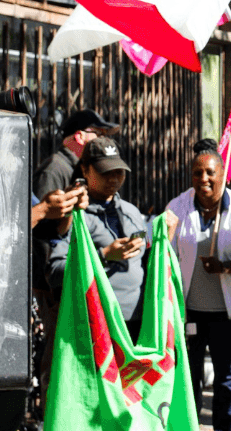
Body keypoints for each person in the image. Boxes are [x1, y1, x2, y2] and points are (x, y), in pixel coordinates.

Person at [166, 139, 231, 431]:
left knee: (227, 381)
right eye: (196, 173)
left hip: (229, 313)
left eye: (209, 172)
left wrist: (225, 267)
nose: (203, 178)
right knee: (188, 378)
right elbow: (160, 251)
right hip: (189, 312)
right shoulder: (177, 208)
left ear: (223, 174)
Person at [47, 137, 148, 339]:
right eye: (105, 172)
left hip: (137, 323)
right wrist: (104, 256)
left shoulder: (132, 212)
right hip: (97, 325)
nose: (113, 179)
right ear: (85, 171)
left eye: (118, 172)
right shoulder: (75, 216)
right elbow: (55, 272)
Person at [33, 109, 119, 198]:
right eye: (99, 134)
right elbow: (42, 209)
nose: (103, 140)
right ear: (79, 136)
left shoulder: (78, 167)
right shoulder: (54, 170)